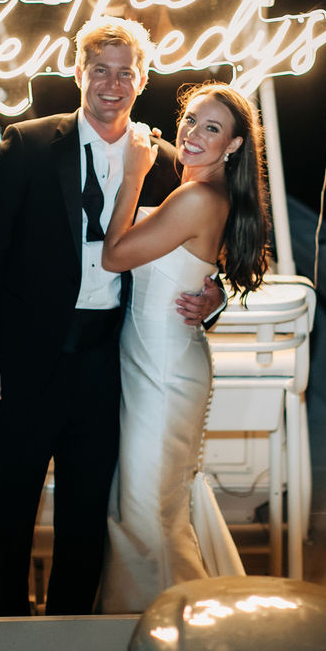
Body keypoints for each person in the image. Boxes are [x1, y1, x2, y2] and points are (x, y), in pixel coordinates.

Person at [0, 16, 224, 617]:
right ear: (78, 73)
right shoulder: (26, 144)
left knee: (86, 524)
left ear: (143, 79)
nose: (111, 83)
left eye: (124, 72)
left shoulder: (161, 162)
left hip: (108, 367)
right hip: (23, 362)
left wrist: (217, 295)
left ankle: (70, 646)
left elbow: (202, 246)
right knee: (8, 519)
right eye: (99, 70)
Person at [98, 81, 271, 613]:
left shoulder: (195, 197)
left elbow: (115, 256)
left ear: (235, 146)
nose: (192, 134)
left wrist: (131, 176)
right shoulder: (208, 193)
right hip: (161, 359)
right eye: (191, 119)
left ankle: (169, 627)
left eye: (211, 128)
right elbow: (198, 265)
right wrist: (213, 291)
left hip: (164, 373)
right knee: (161, 504)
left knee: (146, 514)